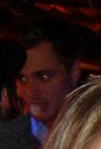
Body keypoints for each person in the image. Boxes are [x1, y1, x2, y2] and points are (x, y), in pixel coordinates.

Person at [13, 13, 84, 142]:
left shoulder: (99, 135)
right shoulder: (9, 138)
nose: (31, 92)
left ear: (74, 72)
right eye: (22, 79)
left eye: (44, 77)